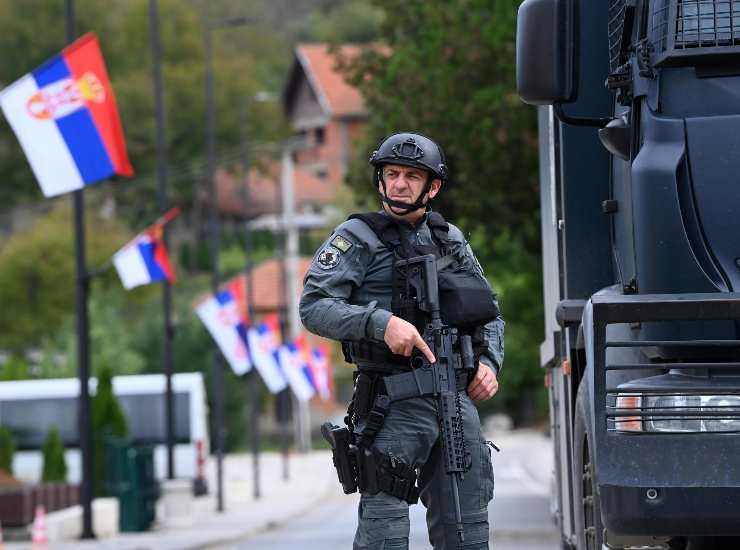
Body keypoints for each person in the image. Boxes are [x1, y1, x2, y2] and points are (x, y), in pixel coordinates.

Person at [300, 132, 504, 549]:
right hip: (392, 403)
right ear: (380, 179)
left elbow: (490, 314)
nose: (399, 184)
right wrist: (380, 324)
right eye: (392, 174)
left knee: (468, 533)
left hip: (454, 399)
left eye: (412, 176)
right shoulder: (358, 236)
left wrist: (489, 363)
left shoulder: (449, 239)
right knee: (385, 536)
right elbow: (314, 306)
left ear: (433, 187)